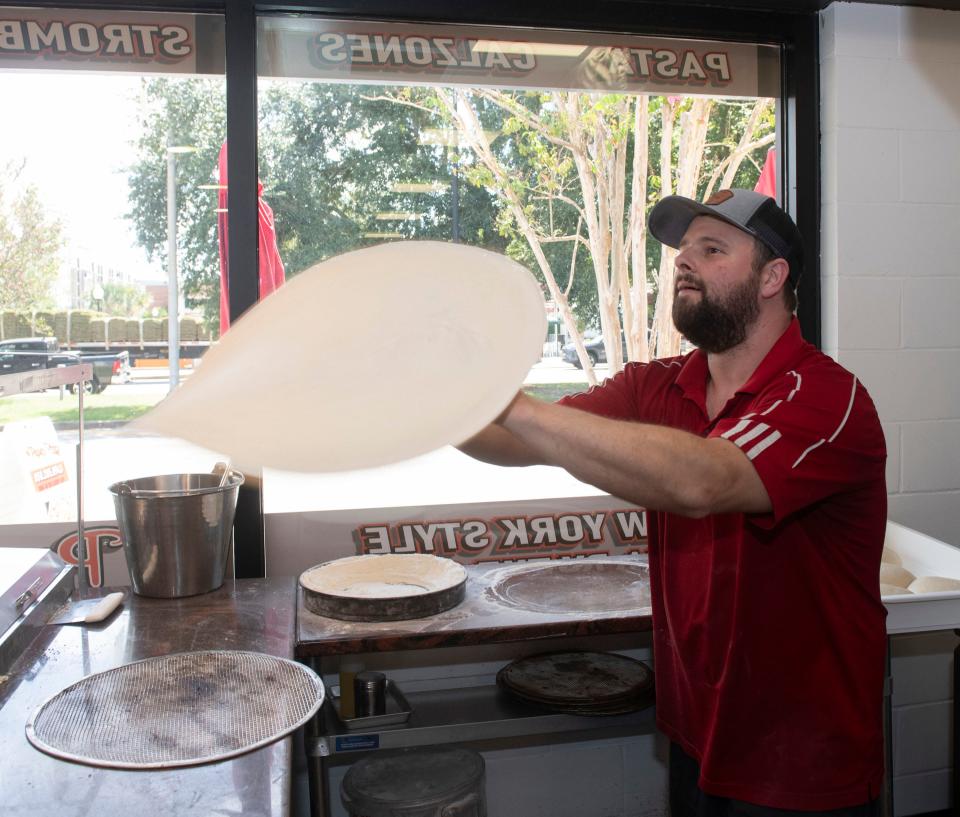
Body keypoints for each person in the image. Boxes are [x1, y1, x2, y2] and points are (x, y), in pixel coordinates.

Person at [461, 188, 887, 816]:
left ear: (773, 277)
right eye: (683, 251)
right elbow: (511, 439)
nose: (684, 262)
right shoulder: (657, 385)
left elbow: (704, 483)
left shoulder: (826, 399)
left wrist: (516, 403)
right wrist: (430, 398)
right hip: (697, 731)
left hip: (801, 756)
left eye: (712, 249)